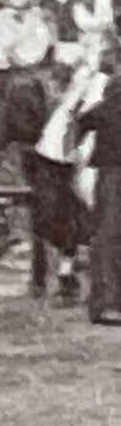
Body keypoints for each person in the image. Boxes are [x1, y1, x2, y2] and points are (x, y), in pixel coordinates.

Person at [72, 36, 121, 324]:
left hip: (110, 173)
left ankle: (104, 303)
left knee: (108, 235)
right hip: (112, 173)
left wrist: (75, 153)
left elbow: (81, 121)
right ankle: (106, 302)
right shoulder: (112, 101)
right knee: (109, 235)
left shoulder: (106, 104)